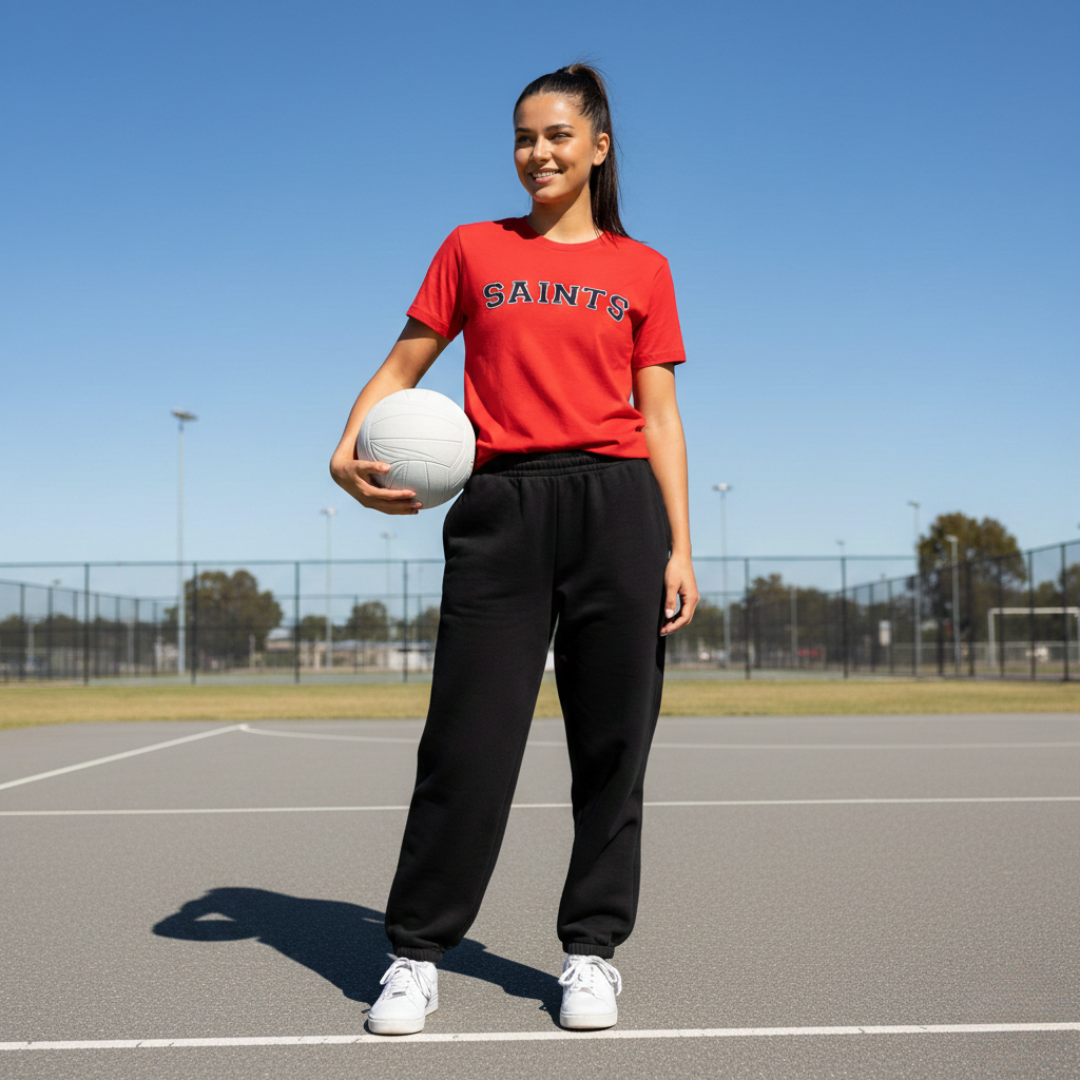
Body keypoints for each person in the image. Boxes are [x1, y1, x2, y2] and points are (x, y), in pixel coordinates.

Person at [330, 63, 698, 1035]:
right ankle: (414, 954)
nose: (538, 152)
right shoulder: (471, 249)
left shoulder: (642, 269)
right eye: (525, 137)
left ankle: (591, 952)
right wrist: (343, 446)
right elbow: (404, 364)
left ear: (599, 148)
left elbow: (660, 418)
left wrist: (679, 547)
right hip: (500, 506)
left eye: (558, 136)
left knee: (614, 745)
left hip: (618, 507)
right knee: (467, 742)